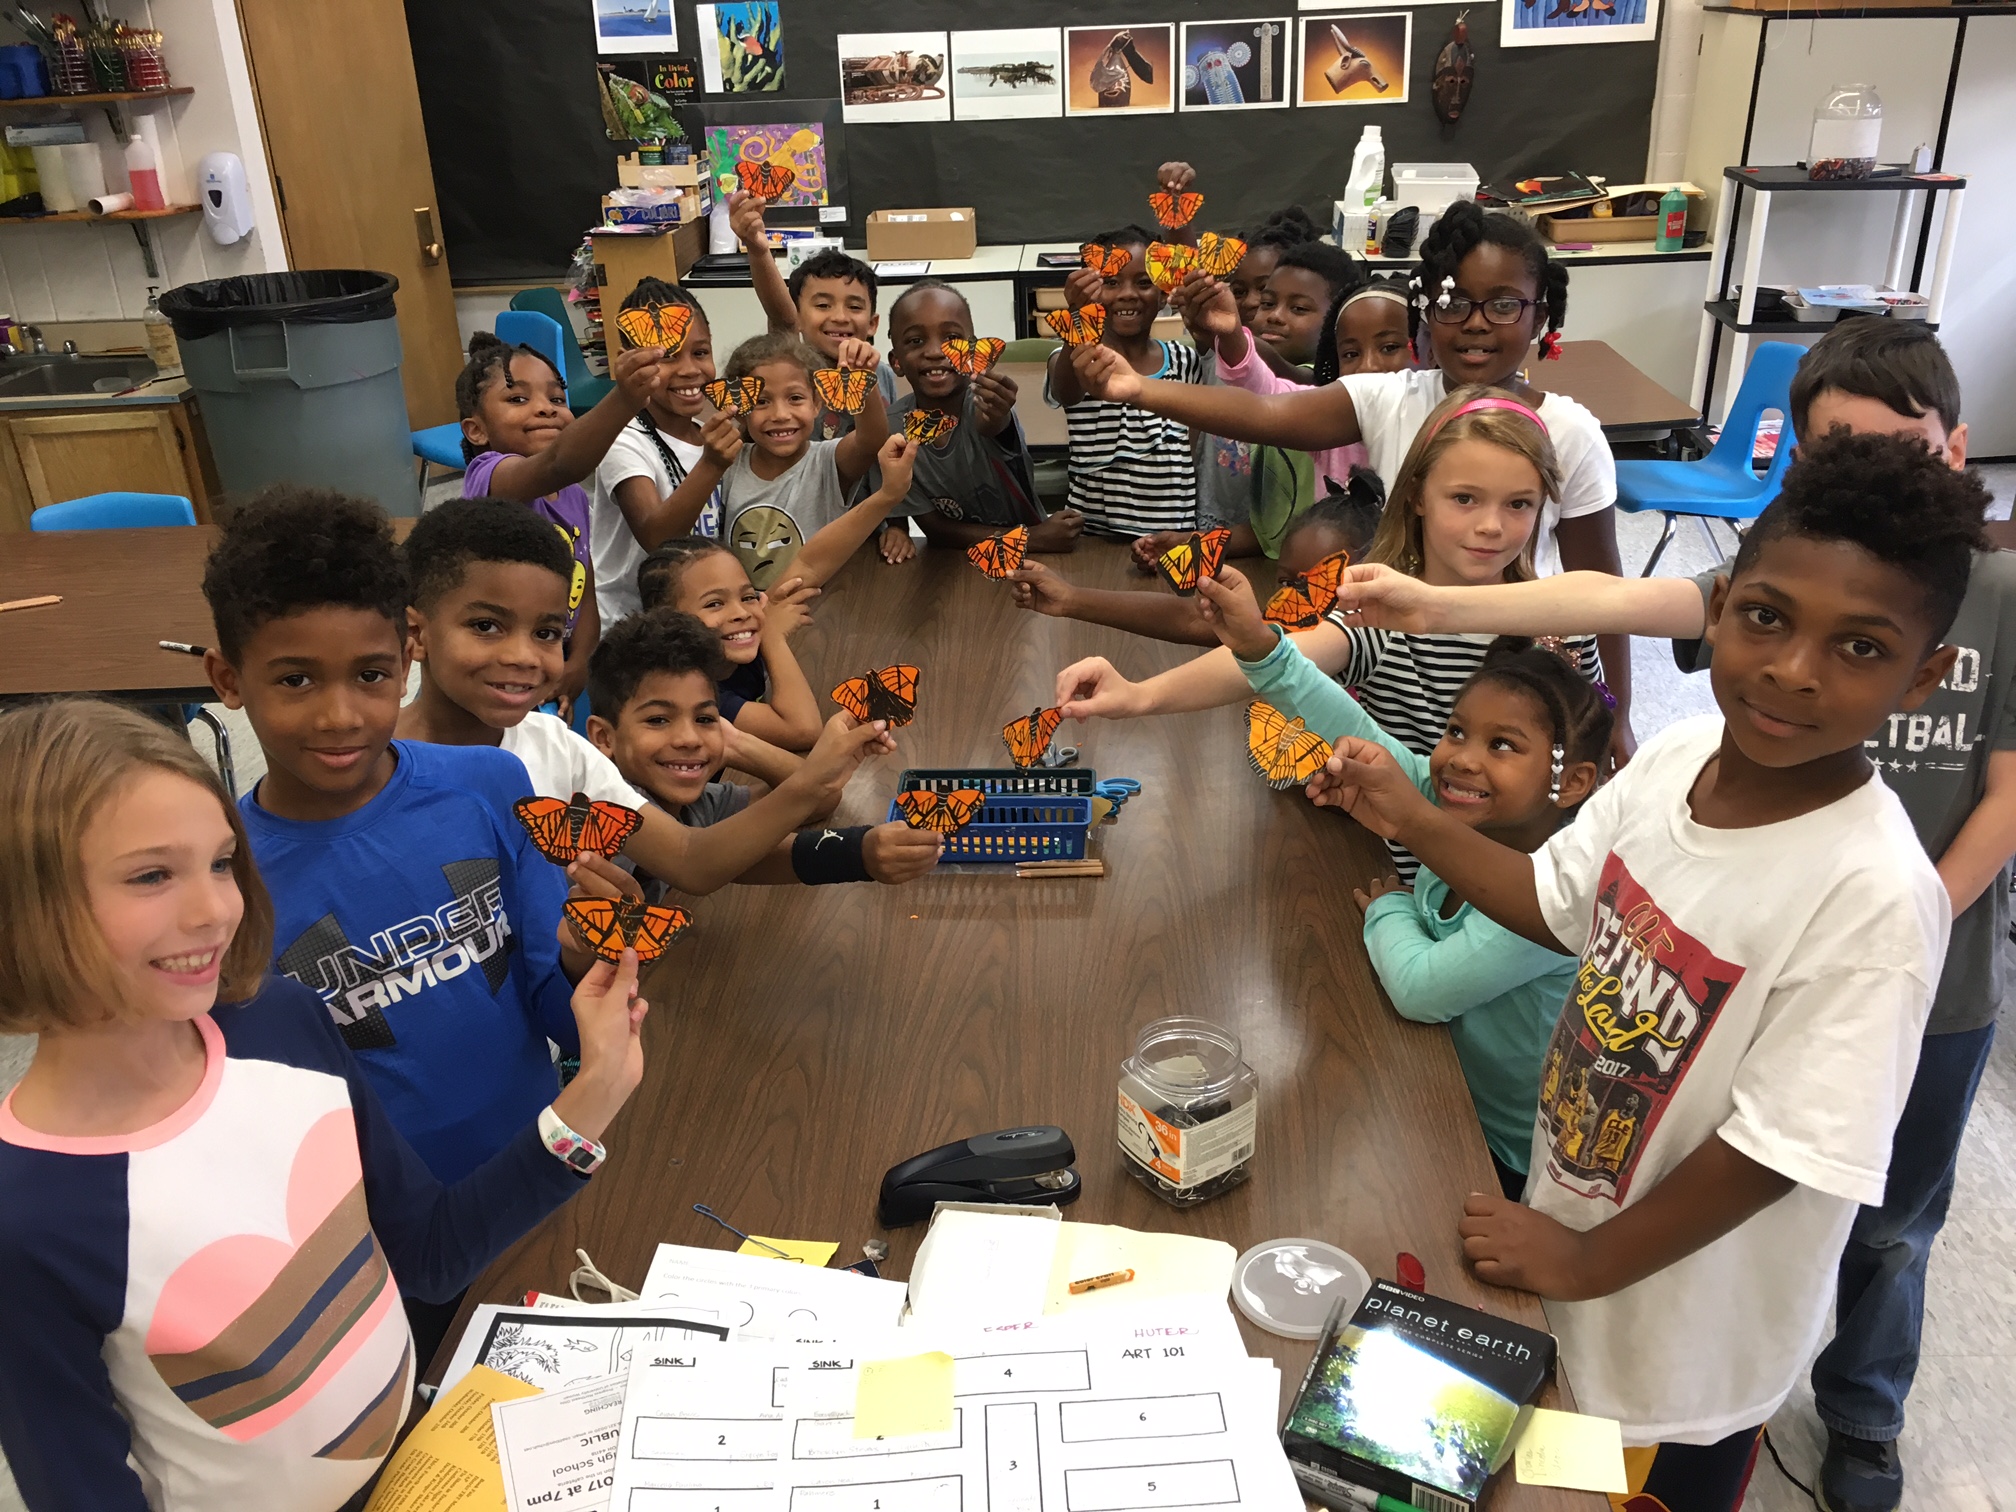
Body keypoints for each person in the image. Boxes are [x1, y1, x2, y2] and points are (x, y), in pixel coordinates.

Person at [1322, 320, 2014, 1512]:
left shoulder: (1873, 893)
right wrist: (1412, 814)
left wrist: (1587, 1259)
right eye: (1766, 619)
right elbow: (1551, 902)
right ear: (1719, 605)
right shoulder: (1678, 756)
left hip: (1686, 1338)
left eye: (1858, 647)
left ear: (1923, 678)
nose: (1794, 671)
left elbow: (1783, 1152)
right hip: (1577, 1249)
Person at [0, 699, 648, 1512]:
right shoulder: (26, 1219)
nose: (214, 910)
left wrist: (594, 1094)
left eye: (221, 863)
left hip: (419, 1458)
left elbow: (430, 1252)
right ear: (23, 904)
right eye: (151, 875)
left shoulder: (284, 1019)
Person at [1066, 199, 1636, 762]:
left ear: (1542, 316)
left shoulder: (1573, 437)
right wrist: (1139, 389)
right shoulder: (1389, 402)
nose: (1477, 321)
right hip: (1397, 663)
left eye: (1505, 305)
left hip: (1513, 680)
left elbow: (1602, 589)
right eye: (1454, 301)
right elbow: (1266, 414)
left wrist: (1620, 716)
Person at [1051, 387, 1599, 879]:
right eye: (1465, 498)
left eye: (1519, 504)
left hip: (1521, 890)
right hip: (1403, 879)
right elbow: (1275, 661)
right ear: (1417, 496)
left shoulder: (1560, 626)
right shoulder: (1383, 614)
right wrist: (1141, 695)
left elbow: (1581, 765)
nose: (1491, 526)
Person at [1194, 566, 1612, 1196]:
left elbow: (1419, 989)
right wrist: (1261, 647)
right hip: (1438, 1081)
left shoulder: (1554, 896)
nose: (1462, 757)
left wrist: (1390, 911)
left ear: (1573, 783)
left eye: (1503, 745)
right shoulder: (1454, 804)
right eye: (1457, 731)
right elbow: (1354, 733)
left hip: (1507, 1152)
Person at [394, 497, 897, 889]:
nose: (524, 657)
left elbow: (687, 858)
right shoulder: (363, 771)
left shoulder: (556, 746)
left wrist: (858, 849)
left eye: (547, 633)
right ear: (415, 635)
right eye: (486, 625)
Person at [585, 609, 941, 885]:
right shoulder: (605, 816)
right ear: (604, 738)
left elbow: (741, 854)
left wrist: (862, 852)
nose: (689, 738)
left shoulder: (697, 804)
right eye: (658, 720)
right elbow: (697, 864)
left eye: (705, 718)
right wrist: (815, 779)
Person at [457, 329, 668, 713]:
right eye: (518, 398)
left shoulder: (571, 493)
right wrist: (622, 399)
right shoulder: (488, 475)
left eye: (556, 397)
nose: (546, 408)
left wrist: (578, 663)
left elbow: (582, 584)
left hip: (555, 659)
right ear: (477, 430)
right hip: (500, 664)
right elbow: (558, 463)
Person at [1156, 240, 1390, 564]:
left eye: (1298, 308)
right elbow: (1268, 531)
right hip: (1283, 575)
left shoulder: (1323, 398)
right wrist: (1195, 544)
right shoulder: (1318, 406)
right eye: (1351, 353)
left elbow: (1279, 374)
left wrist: (1234, 335)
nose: (1368, 365)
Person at [727, 197, 912, 565]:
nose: (839, 317)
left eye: (854, 307)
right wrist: (758, 249)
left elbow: (884, 450)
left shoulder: (880, 376)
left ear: (873, 324)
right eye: (823, 305)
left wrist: (897, 522)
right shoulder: (791, 370)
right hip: (789, 535)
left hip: (863, 533)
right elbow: (780, 319)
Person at [1009, 484, 1378, 649]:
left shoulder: (1364, 647)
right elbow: (1189, 619)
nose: (1294, 600)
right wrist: (1070, 599)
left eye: (1320, 586)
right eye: (1286, 582)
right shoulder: (1285, 633)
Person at [872, 277, 1083, 553]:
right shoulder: (892, 432)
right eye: (915, 340)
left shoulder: (987, 405)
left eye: (952, 338)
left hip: (1028, 561)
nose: (936, 352)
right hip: (956, 565)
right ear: (896, 362)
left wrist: (996, 420)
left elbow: (994, 426)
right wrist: (1033, 538)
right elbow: (937, 530)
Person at [1044, 223, 1207, 540]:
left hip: (1170, 537)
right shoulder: (1080, 356)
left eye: (1144, 282)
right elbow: (1066, 392)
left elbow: (1192, 448)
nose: (1128, 293)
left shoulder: (1185, 361)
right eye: (1111, 282)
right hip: (1094, 539)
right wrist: (1077, 315)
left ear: (1163, 296)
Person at [590, 278, 738, 623]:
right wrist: (712, 465)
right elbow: (657, 538)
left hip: (696, 618)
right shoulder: (622, 440)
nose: (689, 369)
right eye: (668, 356)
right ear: (628, 362)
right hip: (633, 628)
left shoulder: (707, 434)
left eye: (700, 352)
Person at [716, 331, 907, 591]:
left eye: (795, 398)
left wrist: (862, 380)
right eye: (761, 401)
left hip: (819, 614)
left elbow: (871, 440)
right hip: (750, 618)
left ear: (817, 403)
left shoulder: (828, 461)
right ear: (740, 409)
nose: (780, 414)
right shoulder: (728, 464)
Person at [638, 535, 822, 751]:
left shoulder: (731, 649)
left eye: (748, 597)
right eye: (715, 603)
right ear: (668, 622)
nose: (741, 613)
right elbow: (803, 730)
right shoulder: (692, 692)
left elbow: (810, 563)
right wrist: (772, 635)